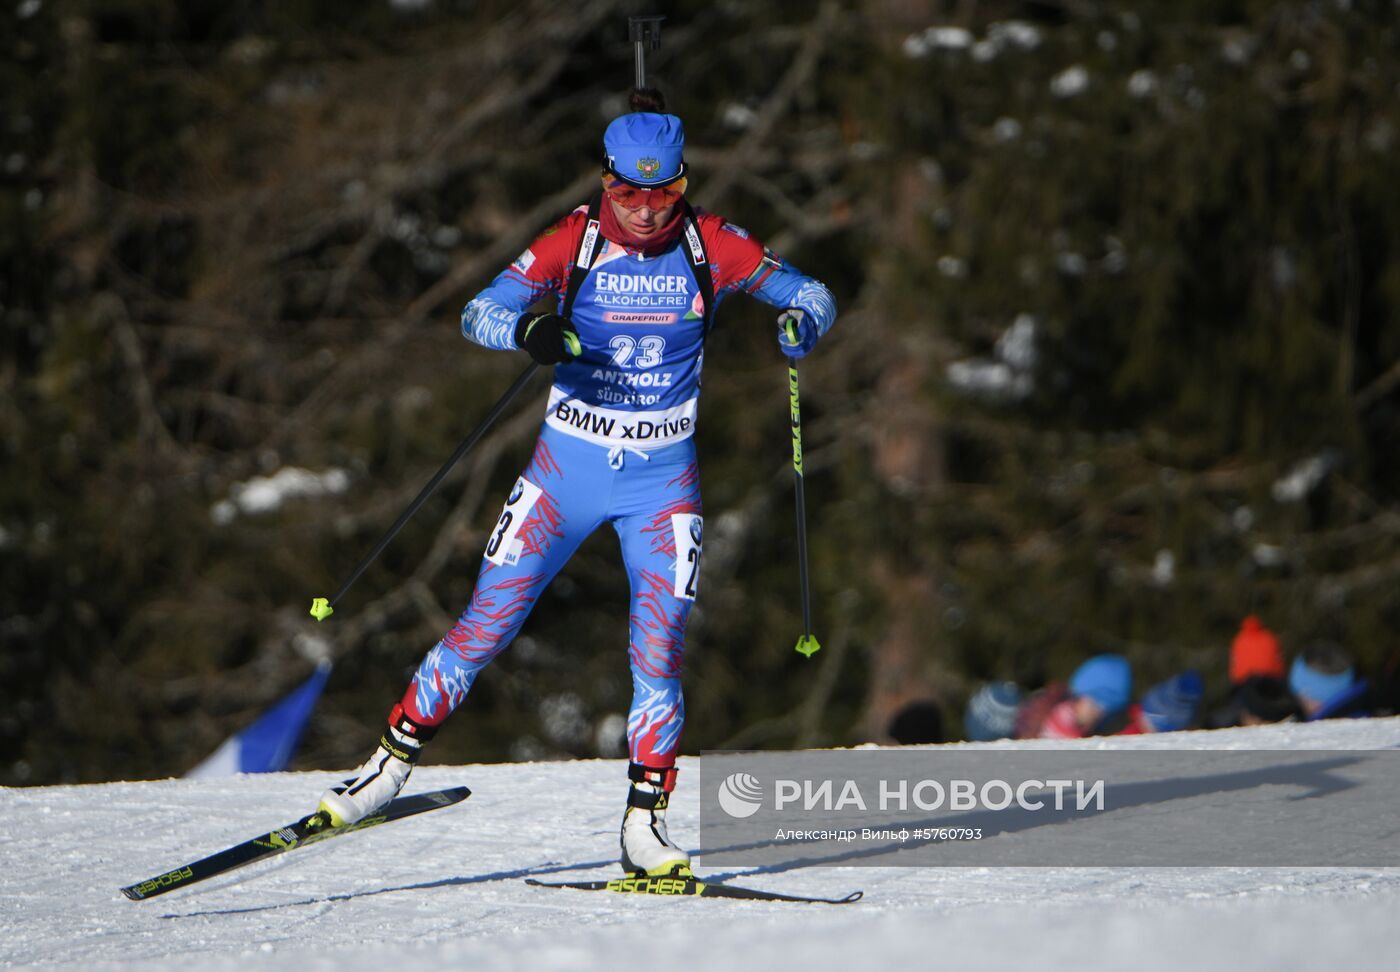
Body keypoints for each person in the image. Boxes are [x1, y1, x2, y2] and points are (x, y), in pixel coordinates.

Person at [314, 89, 837, 879]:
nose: (646, 211)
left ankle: (644, 826)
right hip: (565, 473)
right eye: (628, 192)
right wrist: (529, 328)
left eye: (664, 193)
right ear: (604, 181)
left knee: (659, 654)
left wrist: (802, 320)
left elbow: (809, 291)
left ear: (685, 184)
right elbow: (479, 311)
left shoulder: (713, 246)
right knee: (486, 624)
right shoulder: (573, 241)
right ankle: (385, 769)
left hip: (663, 487)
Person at [1036, 654, 1132, 739]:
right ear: (1079, 696)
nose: (1099, 713)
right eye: (1096, 702)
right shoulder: (1047, 719)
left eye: (1107, 710)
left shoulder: (1094, 732)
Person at [1229, 615, 1285, 685]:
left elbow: (1234, 665)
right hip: (1271, 679)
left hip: (1243, 681)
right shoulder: (1270, 637)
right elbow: (1279, 661)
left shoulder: (1238, 640)